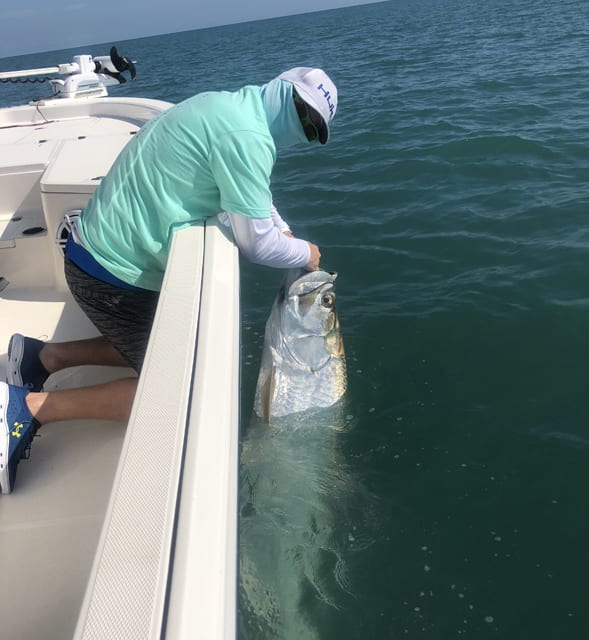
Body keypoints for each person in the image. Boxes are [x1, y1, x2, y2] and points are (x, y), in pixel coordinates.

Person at [0, 66, 338, 494]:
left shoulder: (227, 107)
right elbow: (257, 244)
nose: (303, 125)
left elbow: (255, 194)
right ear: (283, 87)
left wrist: (284, 229)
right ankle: (26, 408)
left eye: (312, 128)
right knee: (175, 392)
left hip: (92, 253)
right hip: (110, 275)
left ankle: (43, 358)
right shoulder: (249, 138)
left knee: (159, 341)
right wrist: (306, 253)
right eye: (302, 111)